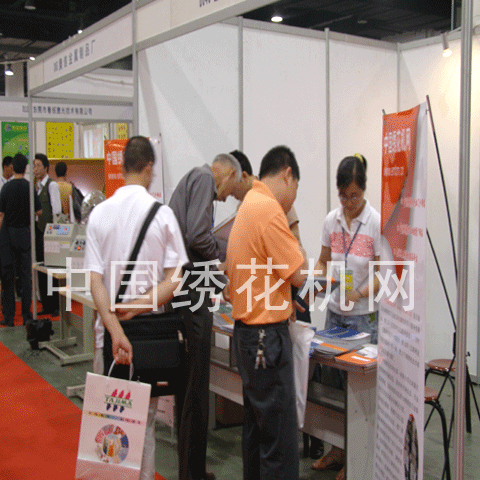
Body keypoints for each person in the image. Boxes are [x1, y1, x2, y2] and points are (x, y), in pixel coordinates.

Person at [83, 136, 188, 480]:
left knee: (110, 432)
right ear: (149, 168)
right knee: (144, 430)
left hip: (108, 341)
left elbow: (95, 282)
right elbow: (175, 279)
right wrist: (136, 308)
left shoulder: (99, 214)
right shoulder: (163, 215)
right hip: (147, 340)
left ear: (123, 166)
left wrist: (115, 328)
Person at [230, 149, 324, 460]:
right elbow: (298, 273)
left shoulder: (249, 205)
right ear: (288, 174)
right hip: (266, 338)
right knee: (279, 442)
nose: (293, 197)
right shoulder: (269, 209)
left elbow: (259, 273)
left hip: (248, 334)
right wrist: (323, 274)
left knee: (257, 434)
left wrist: (283, 297)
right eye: (296, 187)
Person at [169, 152, 241, 480]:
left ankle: (192, 470)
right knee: (195, 387)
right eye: (230, 190)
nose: (225, 198)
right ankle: (193, 474)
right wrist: (222, 264)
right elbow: (198, 236)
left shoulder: (193, 179)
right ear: (227, 174)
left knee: (191, 387)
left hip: (185, 289)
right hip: (190, 293)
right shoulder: (203, 178)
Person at [311, 154, 380, 480]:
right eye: (343, 196)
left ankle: (357, 458)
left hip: (363, 317)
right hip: (335, 314)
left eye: (354, 196)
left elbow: (383, 274)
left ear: (363, 191)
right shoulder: (332, 221)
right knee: (331, 384)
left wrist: (360, 293)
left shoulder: (375, 222)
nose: (349, 203)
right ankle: (337, 450)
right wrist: (317, 281)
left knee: (358, 391)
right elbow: (323, 261)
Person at [0, 154, 42, 327]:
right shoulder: (29, 187)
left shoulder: (6, 188)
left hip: (8, 237)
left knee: (8, 277)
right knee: (25, 277)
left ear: (13, 167)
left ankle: (9, 317)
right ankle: (26, 315)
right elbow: (39, 211)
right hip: (25, 235)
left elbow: (1, 214)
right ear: (25, 168)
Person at [34, 153, 62, 316]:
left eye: (38, 165)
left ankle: (56, 305)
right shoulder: (36, 187)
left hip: (50, 234)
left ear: (46, 167)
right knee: (42, 268)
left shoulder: (52, 186)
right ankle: (46, 303)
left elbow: (57, 211)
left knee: (52, 269)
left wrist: (54, 234)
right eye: (34, 166)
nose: (35, 169)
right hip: (39, 233)